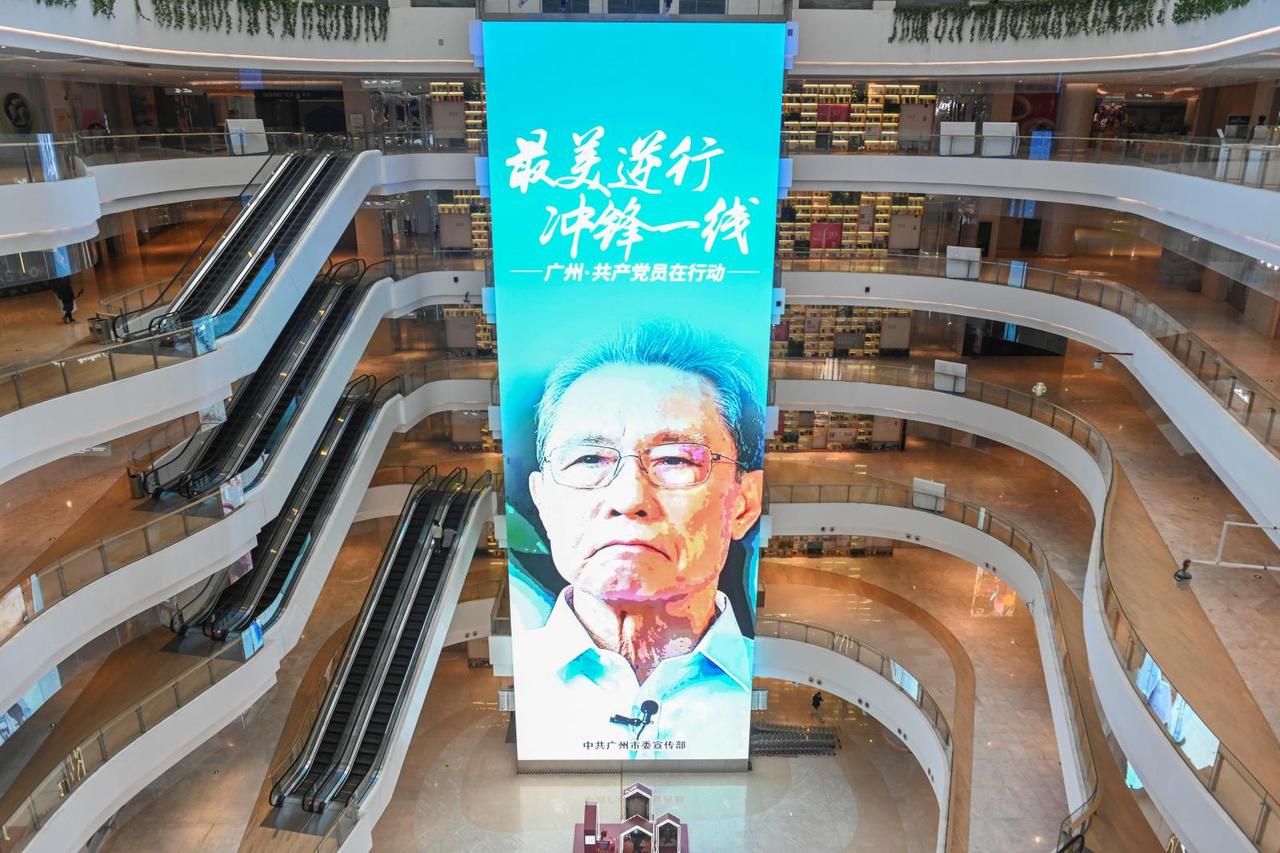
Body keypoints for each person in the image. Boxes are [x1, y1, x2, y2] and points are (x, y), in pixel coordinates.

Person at [515, 320, 765, 760]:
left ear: (743, 502)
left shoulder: (771, 683)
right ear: (543, 502)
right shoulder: (517, 681)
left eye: (674, 459)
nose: (629, 497)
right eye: (589, 458)